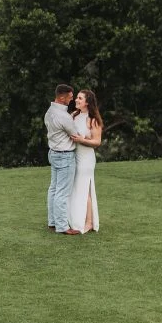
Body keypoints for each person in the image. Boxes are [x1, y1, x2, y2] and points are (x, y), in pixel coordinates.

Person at [45, 84, 80, 235]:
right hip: (64, 155)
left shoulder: (49, 112)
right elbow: (75, 134)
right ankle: (62, 226)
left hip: (53, 153)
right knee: (62, 192)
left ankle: (52, 222)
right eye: (70, 98)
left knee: (53, 189)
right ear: (61, 97)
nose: (72, 100)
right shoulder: (64, 116)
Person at [68, 89, 103, 234]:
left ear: (87, 102)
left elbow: (97, 142)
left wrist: (82, 140)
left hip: (86, 158)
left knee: (85, 189)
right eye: (77, 97)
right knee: (75, 188)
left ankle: (88, 222)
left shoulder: (93, 120)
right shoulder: (73, 116)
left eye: (80, 98)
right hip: (73, 156)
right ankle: (75, 219)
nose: (76, 100)